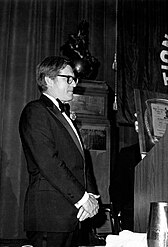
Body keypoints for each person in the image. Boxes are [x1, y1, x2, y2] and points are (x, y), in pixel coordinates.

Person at [19, 56, 100, 247]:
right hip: (50, 215)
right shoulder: (36, 111)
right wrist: (83, 199)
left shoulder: (63, 114)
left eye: (74, 79)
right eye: (68, 79)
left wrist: (92, 197)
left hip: (73, 216)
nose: (74, 84)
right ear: (48, 80)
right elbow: (49, 162)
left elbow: (80, 159)